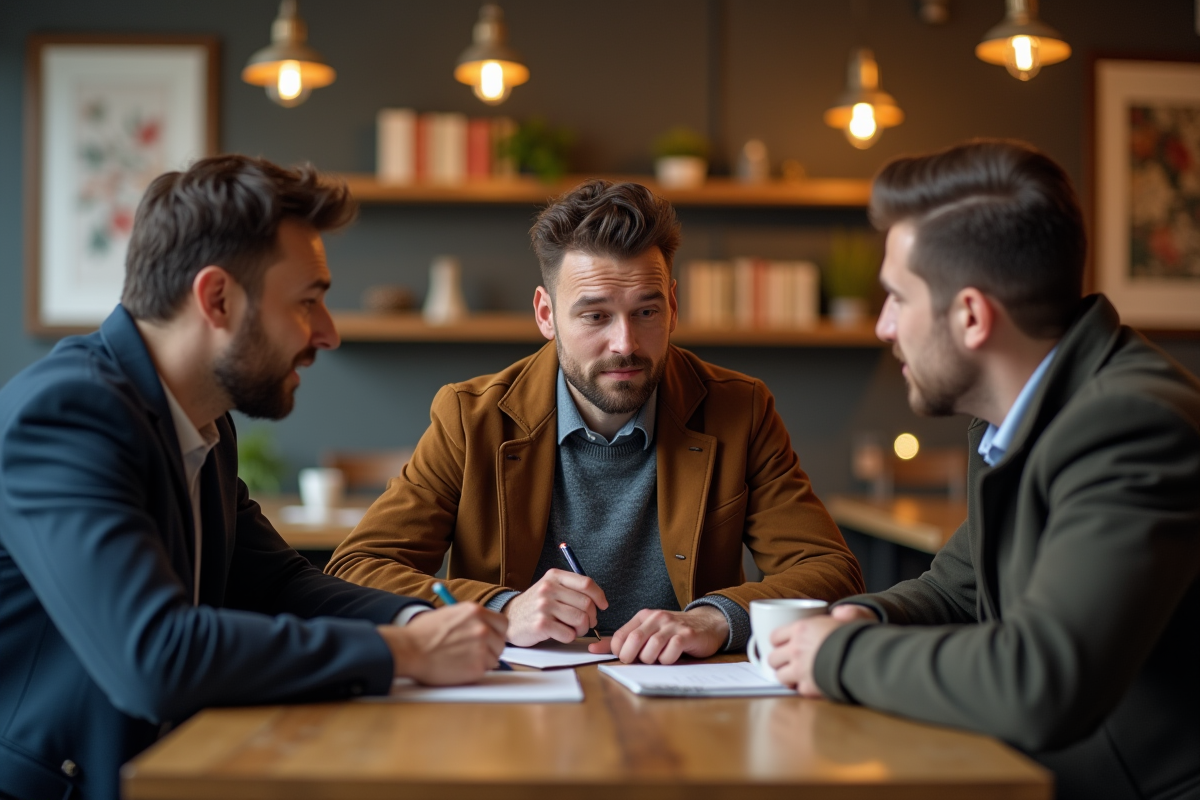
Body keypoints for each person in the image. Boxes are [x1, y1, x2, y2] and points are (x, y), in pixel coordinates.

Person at [0, 155, 507, 800]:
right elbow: (154, 656)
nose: (328, 334)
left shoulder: (204, 424)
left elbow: (280, 582)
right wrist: (403, 654)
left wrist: (422, 623)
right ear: (216, 298)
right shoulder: (69, 413)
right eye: (308, 302)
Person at [768, 140, 1200, 800]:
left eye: (897, 299)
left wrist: (836, 656)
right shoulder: (1008, 418)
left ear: (970, 315)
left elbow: (1043, 681)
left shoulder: (1131, 426)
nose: (883, 326)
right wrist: (862, 619)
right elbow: (956, 592)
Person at [327, 179, 864, 665]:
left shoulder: (740, 410)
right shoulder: (470, 416)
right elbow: (357, 569)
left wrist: (715, 618)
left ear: (674, 307)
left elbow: (830, 570)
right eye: (595, 315)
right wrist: (500, 608)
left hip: (691, 706)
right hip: (512, 711)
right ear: (545, 314)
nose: (625, 343)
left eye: (646, 312)